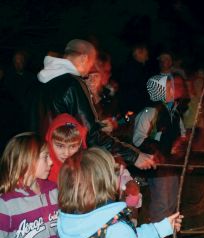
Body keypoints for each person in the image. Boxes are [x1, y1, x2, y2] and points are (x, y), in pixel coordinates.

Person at [31, 39, 155, 170]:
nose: (90, 70)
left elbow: (59, 120)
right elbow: (92, 136)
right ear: (84, 58)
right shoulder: (73, 84)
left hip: (40, 160)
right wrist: (134, 156)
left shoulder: (40, 81)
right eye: (91, 63)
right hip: (64, 166)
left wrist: (98, 125)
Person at [57, 147, 183, 238]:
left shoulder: (68, 222)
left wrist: (160, 229)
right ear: (105, 183)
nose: (120, 171)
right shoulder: (116, 230)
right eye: (115, 172)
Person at [132, 73, 187, 238]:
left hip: (172, 165)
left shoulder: (174, 112)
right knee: (161, 203)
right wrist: (158, 151)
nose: (174, 89)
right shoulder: (150, 113)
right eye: (170, 86)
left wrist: (180, 143)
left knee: (172, 201)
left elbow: (181, 134)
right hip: (158, 166)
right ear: (161, 90)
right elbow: (138, 139)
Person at [0, 132, 61, 238]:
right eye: (45, 157)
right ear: (27, 159)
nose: (51, 162)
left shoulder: (53, 191)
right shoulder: (6, 203)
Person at [45, 113, 87, 183]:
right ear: (49, 142)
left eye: (73, 146)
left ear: (80, 144)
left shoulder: (85, 166)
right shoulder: (42, 171)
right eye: (60, 146)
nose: (66, 153)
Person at [118, 43, 152, 114]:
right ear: (139, 53)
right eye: (145, 55)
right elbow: (134, 91)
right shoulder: (134, 69)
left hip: (132, 108)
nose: (147, 58)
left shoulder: (135, 67)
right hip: (133, 109)